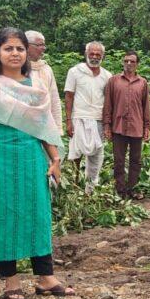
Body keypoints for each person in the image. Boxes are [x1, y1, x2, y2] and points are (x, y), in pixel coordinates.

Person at [0, 28, 73, 299]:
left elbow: (43, 127)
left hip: (32, 159)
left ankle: (46, 277)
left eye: (20, 48)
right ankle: (10, 280)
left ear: (26, 53)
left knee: (39, 215)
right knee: (3, 216)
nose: (15, 53)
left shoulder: (35, 88)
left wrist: (55, 158)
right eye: (8, 48)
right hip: (0, 161)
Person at [102, 51, 150, 199]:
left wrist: (147, 127)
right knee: (118, 160)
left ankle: (132, 188)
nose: (129, 64)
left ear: (137, 64)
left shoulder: (142, 83)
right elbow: (108, 104)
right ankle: (120, 190)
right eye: (126, 61)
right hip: (118, 127)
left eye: (132, 61)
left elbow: (146, 106)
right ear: (123, 62)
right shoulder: (113, 81)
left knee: (136, 160)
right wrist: (107, 125)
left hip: (136, 126)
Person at [64, 42, 111, 194]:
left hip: (98, 119)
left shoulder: (107, 76)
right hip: (79, 117)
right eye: (92, 54)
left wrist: (107, 124)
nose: (94, 57)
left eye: (98, 54)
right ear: (86, 54)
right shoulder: (75, 71)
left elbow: (109, 100)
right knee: (76, 153)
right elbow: (69, 96)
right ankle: (74, 184)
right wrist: (68, 121)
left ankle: (90, 189)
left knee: (96, 154)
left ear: (102, 56)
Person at [26, 30, 63, 132]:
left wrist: (58, 128)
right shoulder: (17, 68)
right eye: (40, 45)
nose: (44, 48)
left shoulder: (46, 69)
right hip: (25, 124)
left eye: (44, 45)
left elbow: (54, 99)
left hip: (46, 124)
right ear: (27, 46)